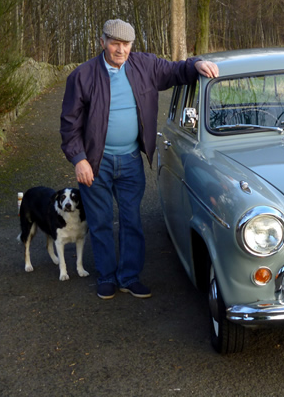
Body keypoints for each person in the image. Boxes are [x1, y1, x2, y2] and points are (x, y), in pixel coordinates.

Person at [60, 19, 219, 300]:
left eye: (126, 44)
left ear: (132, 45)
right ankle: (107, 277)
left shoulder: (145, 66)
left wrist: (195, 64)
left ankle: (129, 277)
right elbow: (69, 124)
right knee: (100, 222)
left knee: (132, 220)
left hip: (131, 159)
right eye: (114, 43)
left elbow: (175, 70)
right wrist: (79, 159)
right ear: (102, 42)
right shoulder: (82, 76)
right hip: (96, 163)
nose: (120, 50)